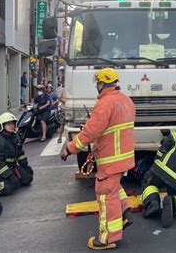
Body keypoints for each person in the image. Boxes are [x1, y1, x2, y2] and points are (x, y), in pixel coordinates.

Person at [60, 68, 136, 251]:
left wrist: (69, 149)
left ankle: (109, 238)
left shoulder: (105, 103)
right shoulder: (126, 100)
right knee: (113, 188)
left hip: (110, 159)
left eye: (98, 84)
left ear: (101, 84)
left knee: (105, 196)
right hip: (123, 157)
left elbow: (91, 131)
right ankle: (124, 211)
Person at [0, 112, 33, 196]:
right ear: (1, 126)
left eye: (13, 123)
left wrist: (25, 166)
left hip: (9, 166)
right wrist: (10, 176)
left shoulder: (15, 137)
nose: (12, 126)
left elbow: (20, 154)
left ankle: (11, 179)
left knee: (27, 179)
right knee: (8, 189)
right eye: (9, 124)